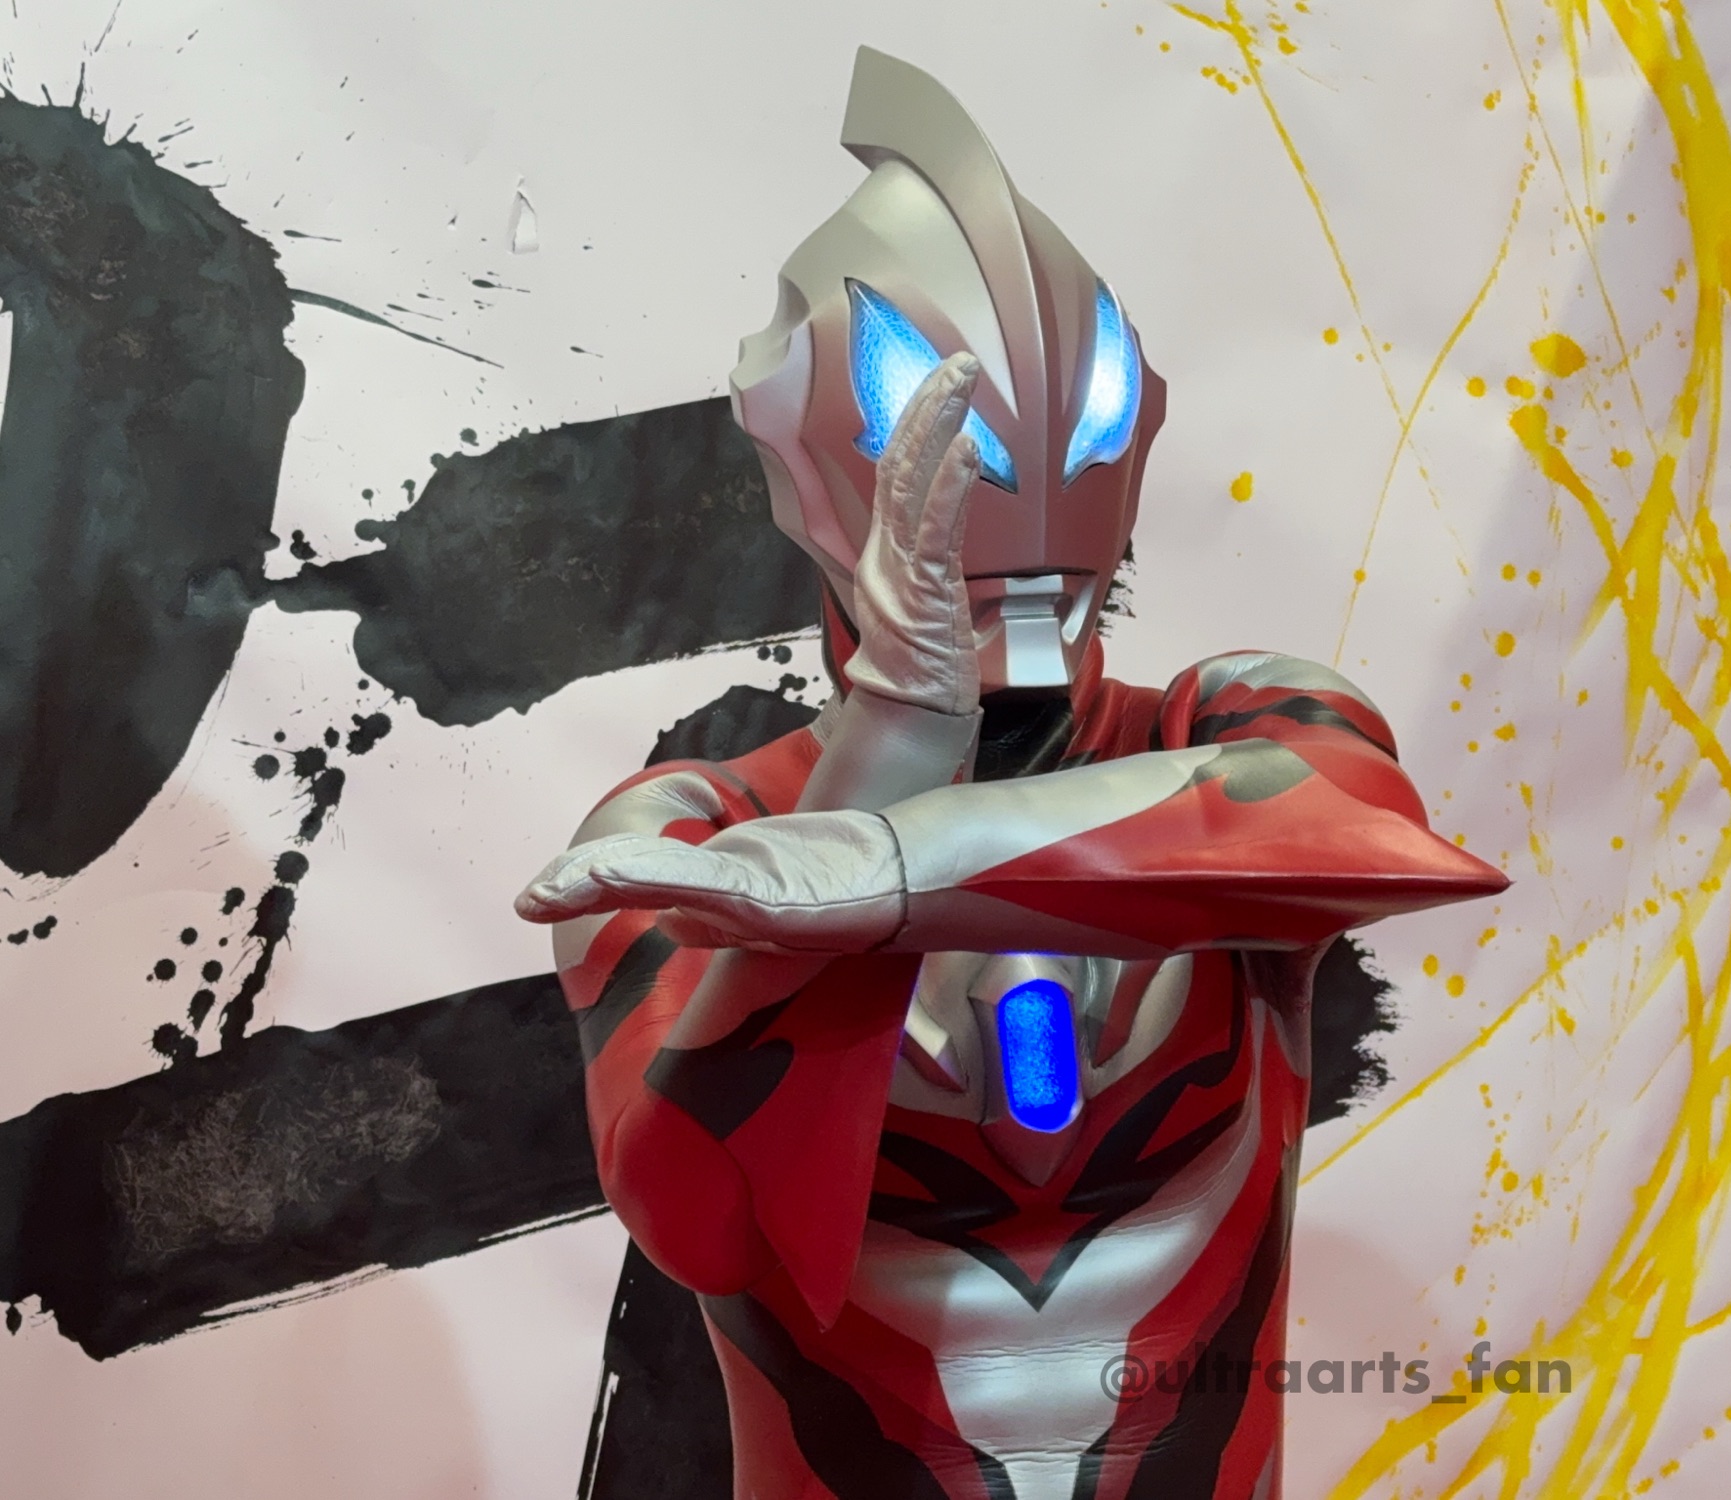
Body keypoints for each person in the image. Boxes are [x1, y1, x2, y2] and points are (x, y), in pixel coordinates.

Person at [517, 47, 1505, 1499]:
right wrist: (880, 765)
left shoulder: (1222, 729)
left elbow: (1369, 826)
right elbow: (700, 1218)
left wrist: (893, 872)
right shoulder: (698, 830)